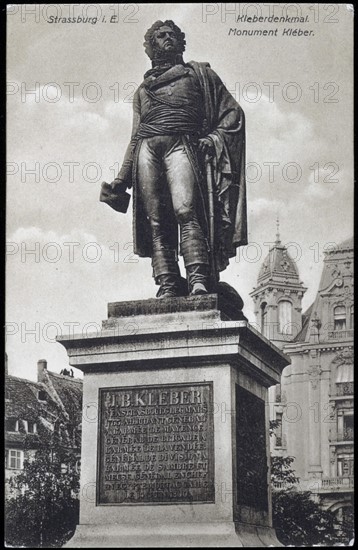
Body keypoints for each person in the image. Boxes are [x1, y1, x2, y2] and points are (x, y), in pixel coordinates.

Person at [101, 20, 247, 298]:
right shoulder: (142, 91)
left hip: (182, 144)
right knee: (156, 220)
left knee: (186, 211)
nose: (167, 38)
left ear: (181, 43)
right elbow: (135, 136)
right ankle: (168, 281)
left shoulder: (199, 75)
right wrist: (121, 178)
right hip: (147, 149)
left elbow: (233, 114)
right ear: (151, 46)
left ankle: (198, 280)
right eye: (160, 36)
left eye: (172, 35)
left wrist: (213, 138)